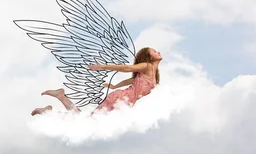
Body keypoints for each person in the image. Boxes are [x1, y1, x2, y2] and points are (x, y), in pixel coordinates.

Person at [31, 47, 162, 115]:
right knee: (88, 125)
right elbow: (128, 68)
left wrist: (114, 85)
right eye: (154, 51)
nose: (158, 52)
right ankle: (50, 111)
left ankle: (59, 100)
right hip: (120, 100)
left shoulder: (152, 74)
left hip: (124, 102)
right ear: (148, 58)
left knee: (89, 124)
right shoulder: (147, 66)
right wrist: (103, 67)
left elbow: (131, 80)